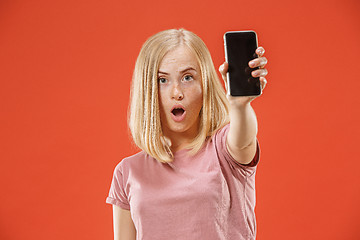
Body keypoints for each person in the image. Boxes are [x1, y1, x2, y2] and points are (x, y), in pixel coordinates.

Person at [106, 28, 268, 240]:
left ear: (205, 85)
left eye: (188, 77)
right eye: (162, 80)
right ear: (148, 90)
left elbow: (244, 139)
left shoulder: (225, 151)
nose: (177, 92)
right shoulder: (127, 172)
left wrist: (239, 106)